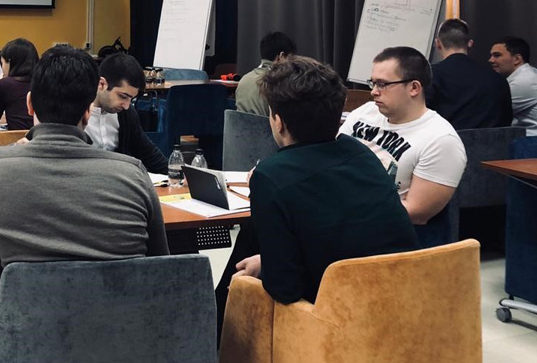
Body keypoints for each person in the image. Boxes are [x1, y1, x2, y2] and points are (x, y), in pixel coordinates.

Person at [215, 56, 418, 340]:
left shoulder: (271, 176)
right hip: (402, 304)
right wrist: (267, 261)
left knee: (240, 275)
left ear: (278, 122)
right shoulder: (361, 154)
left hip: (330, 322)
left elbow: (285, 289)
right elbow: (344, 236)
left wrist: (265, 270)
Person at [0, 46, 170, 299]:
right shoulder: (134, 176)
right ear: (88, 111)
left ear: (30, 104)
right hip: (120, 326)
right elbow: (159, 267)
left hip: (27, 328)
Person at [339, 46, 467, 247]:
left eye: (382, 84)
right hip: (346, 216)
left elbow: (416, 212)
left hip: (388, 237)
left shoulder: (441, 139)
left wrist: (344, 210)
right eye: (373, 83)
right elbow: (332, 156)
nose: (373, 92)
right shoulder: (365, 112)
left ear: (414, 88)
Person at [85, 53, 168, 174]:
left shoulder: (126, 113)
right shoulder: (76, 114)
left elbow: (147, 152)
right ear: (101, 84)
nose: (126, 105)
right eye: (123, 96)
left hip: (118, 182)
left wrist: (177, 175)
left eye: (131, 99)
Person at [426, 19, 512, 129]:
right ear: (470, 43)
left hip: (449, 144)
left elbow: (421, 117)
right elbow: (506, 121)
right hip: (493, 145)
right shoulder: (497, 78)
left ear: (437, 43)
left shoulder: (431, 75)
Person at [234, 31, 296, 116]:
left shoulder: (244, 79)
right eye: (290, 58)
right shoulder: (279, 82)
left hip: (239, 129)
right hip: (268, 129)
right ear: (281, 56)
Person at [0, 38, 38, 132]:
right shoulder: (44, 82)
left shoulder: (5, 85)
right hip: (42, 139)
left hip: (16, 141)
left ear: (9, 62)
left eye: (2, 63)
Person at [489, 36, 537, 135]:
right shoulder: (527, 76)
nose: (491, 60)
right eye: (491, 56)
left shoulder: (524, 81)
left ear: (517, 59)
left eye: (497, 55)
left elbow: (488, 112)